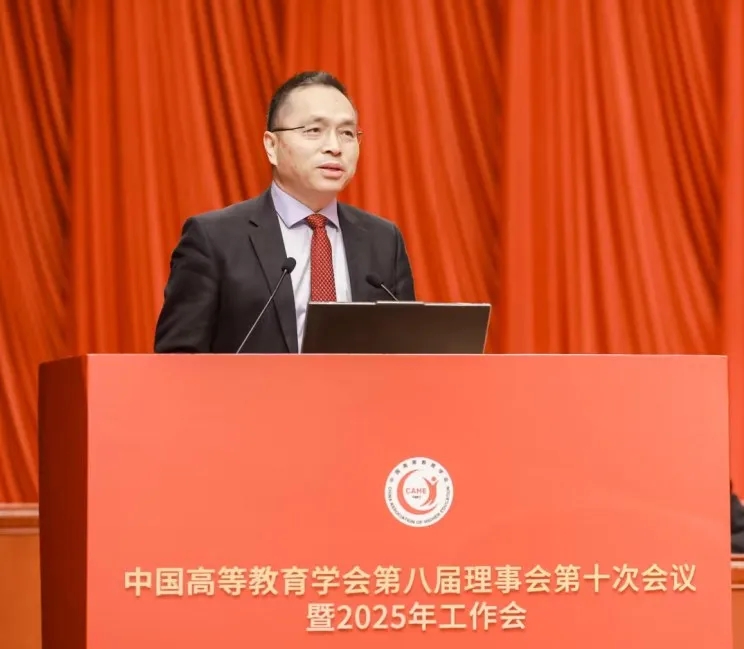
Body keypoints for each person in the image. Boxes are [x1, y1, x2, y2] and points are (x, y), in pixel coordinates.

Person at [154, 71, 416, 354]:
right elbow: (178, 358)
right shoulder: (214, 239)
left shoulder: (383, 240)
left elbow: (408, 350)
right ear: (272, 146)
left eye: (347, 133)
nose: (335, 147)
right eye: (314, 130)